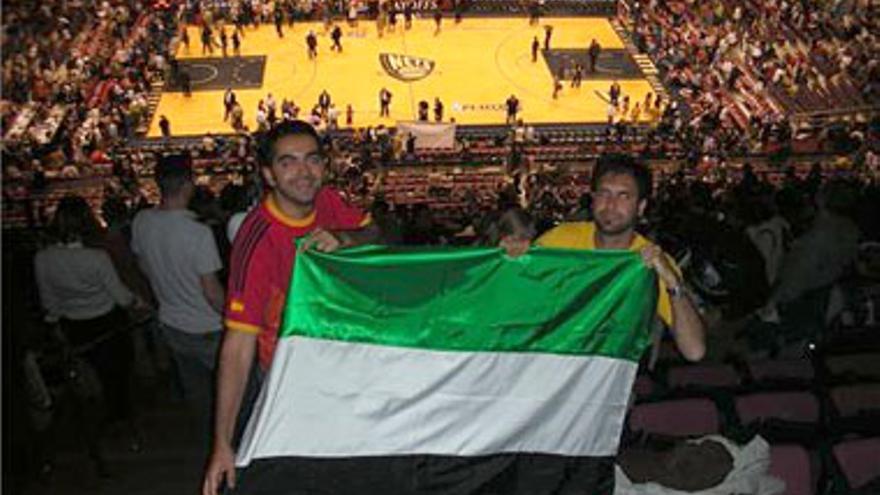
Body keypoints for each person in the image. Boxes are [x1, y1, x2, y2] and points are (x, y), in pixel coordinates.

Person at [202, 121, 380, 495]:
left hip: (337, 357)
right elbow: (237, 345)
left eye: (312, 160)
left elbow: (378, 233)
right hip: (288, 375)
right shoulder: (258, 237)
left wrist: (345, 237)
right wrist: (222, 441)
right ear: (268, 174)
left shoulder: (329, 200)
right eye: (288, 163)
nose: (304, 172)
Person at [503, 154, 707, 363]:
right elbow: (515, 299)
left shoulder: (651, 261)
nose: (611, 205)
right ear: (593, 199)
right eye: (604, 194)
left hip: (609, 380)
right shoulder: (561, 240)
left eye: (623, 196)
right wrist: (510, 260)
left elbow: (695, 350)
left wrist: (672, 282)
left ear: (641, 206)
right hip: (555, 368)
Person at [35, 195, 143, 473]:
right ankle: (124, 430)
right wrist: (139, 302)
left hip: (74, 329)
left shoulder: (43, 259)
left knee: (86, 389)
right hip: (108, 327)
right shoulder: (95, 257)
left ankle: (95, 438)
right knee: (117, 383)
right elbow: (120, 297)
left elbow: (49, 304)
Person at [131, 154, 227, 444]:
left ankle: (207, 441)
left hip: (171, 324)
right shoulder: (197, 232)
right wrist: (235, 319)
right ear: (188, 185)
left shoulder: (141, 221)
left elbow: (143, 267)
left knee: (195, 392)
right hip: (208, 327)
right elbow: (212, 292)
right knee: (232, 390)